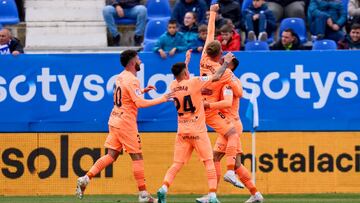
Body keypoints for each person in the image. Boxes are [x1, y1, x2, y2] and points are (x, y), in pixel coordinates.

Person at [75, 50, 173, 202]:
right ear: (133, 62)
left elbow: (126, 95)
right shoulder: (133, 80)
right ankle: (143, 195)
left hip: (114, 120)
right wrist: (163, 98)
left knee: (111, 155)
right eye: (138, 58)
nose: (140, 60)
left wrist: (141, 91)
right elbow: (139, 103)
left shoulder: (120, 76)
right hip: (126, 123)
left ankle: (86, 178)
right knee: (137, 156)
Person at [156, 50, 235, 203]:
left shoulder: (173, 86)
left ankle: (163, 188)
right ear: (186, 72)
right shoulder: (194, 82)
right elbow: (217, 76)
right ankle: (212, 195)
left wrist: (186, 60)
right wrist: (226, 62)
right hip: (197, 130)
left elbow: (182, 77)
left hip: (182, 131)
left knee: (177, 164)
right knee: (209, 162)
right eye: (187, 70)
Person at [203, 57, 264, 203]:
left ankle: (212, 195)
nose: (219, 64)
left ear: (229, 66)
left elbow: (231, 99)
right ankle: (256, 194)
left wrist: (208, 105)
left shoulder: (228, 84)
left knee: (215, 158)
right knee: (237, 163)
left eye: (224, 62)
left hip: (231, 125)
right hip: (231, 124)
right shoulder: (227, 81)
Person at [199, 3, 244, 196]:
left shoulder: (202, 59)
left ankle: (212, 195)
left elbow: (210, 33)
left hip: (202, 107)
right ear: (220, 55)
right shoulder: (225, 73)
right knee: (233, 135)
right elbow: (239, 93)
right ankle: (230, 171)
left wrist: (213, 14)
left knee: (214, 156)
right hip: (212, 110)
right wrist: (226, 65)